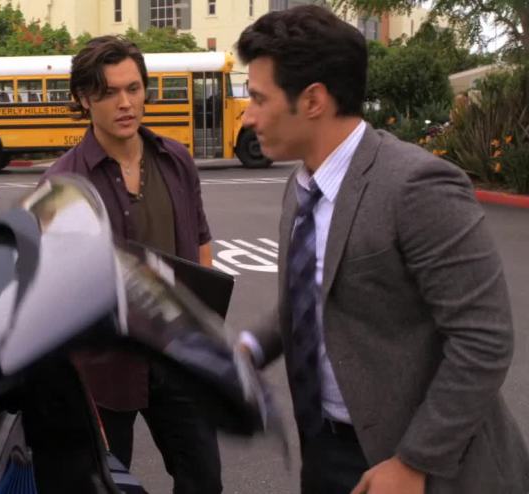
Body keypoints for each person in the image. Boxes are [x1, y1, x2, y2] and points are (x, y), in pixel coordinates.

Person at [234, 6, 529, 494]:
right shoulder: (301, 186)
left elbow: (484, 339)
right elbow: (316, 296)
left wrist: (415, 460)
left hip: (422, 463)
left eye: (259, 98)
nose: (248, 116)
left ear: (313, 100)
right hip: (325, 449)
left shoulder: (417, 186)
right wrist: (250, 348)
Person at [41, 36, 221, 493]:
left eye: (134, 88)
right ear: (84, 99)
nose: (126, 103)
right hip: (103, 369)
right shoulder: (63, 184)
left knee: (203, 480)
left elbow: (201, 241)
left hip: (178, 357)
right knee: (104, 485)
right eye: (109, 92)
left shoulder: (176, 160)